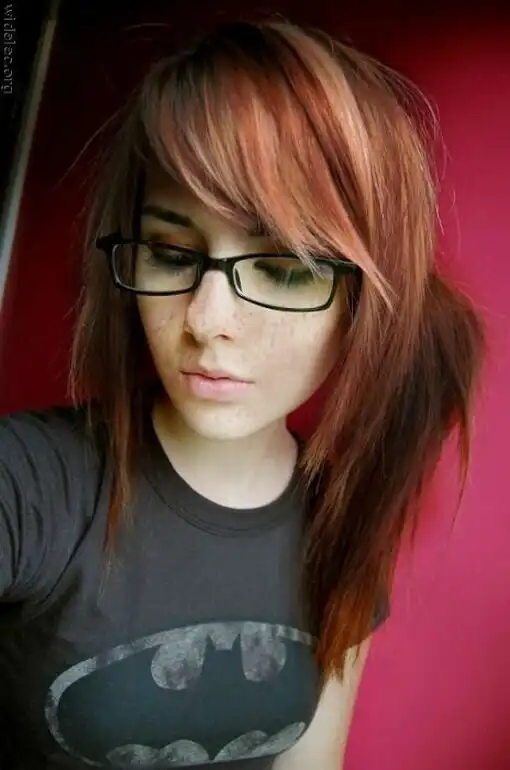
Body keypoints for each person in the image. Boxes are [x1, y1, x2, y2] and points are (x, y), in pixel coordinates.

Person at [0, 18, 484, 770]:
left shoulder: (345, 521)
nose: (205, 321)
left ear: (364, 302)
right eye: (170, 252)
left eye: (284, 267)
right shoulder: (31, 483)